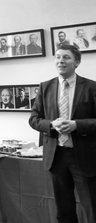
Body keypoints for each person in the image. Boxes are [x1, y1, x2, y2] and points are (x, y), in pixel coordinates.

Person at [29, 44, 96, 222]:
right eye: (58, 57)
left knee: (92, 207)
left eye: (66, 57)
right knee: (64, 209)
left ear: (77, 62)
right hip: (56, 156)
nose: (60, 61)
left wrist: (77, 125)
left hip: (83, 156)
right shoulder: (45, 87)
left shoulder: (91, 87)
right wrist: (51, 124)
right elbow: (34, 119)